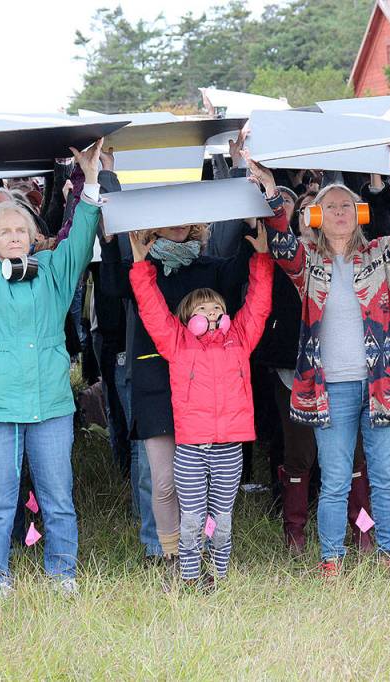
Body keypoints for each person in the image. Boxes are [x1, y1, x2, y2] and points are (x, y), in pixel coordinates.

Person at [0, 136, 103, 601]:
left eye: (20, 229)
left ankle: (63, 572)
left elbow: (82, 232)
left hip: (50, 403)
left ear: (32, 236)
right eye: (3, 231)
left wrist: (90, 181)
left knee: (58, 498)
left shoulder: (53, 268)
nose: (13, 235)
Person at [249, 136, 390, 578]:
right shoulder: (307, 261)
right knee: (334, 478)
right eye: (331, 207)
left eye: (347, 205)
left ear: (359, 213)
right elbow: (281, 242)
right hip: (330, 388)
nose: (341, 213)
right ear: (317, 217)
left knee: (384, 476)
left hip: (382, 384)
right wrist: (271, 191)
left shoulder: (382, 254)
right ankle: (332, 557)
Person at [98, 180, 253, 585]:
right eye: (168, 218)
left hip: (204, 387)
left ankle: (199, 553)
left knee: (202, 481)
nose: (180, 224)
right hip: (154, 379)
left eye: (186, 216)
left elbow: (241, 270)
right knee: (161, 479)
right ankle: (167, 554)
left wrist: (245, 189)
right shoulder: (142, 265)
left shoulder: (210, 266)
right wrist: (116, 243)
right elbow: (113, 289)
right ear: (150, 225)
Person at [128, 224, 272, 590]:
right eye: (202, 309)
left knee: (222, 517)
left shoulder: (239, 339)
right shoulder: (176, 344)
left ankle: (219, 575)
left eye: (217, 308)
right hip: (192, 447)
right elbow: (153, 310)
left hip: (229, 447)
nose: (210, 314)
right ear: (187, 318)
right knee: (192, 516)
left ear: (226, 314)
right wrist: (141, 267)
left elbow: (258, 304)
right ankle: (188, 575)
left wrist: (262, 258)